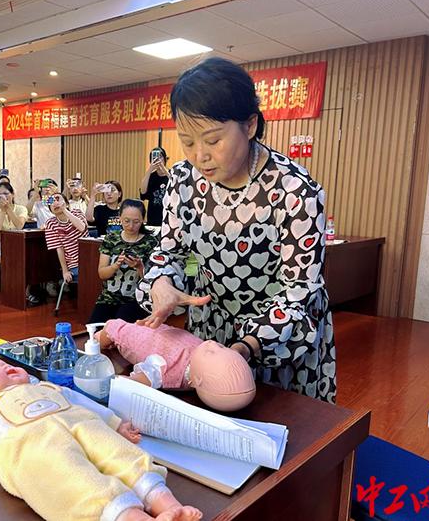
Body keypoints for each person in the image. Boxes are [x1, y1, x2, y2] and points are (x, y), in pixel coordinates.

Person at [136, 57, 336, 404]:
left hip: (279, 340)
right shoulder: (183, 181)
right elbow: (172, 253)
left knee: (283, 442)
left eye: (213, 140)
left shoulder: (295, 191)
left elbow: (299, 291)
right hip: (210, 336)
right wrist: (163, 283)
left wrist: (245, 349)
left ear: (250, 125)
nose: (200, 156)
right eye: (187, 141)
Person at [0, 358, 202, 521]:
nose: (4, 367)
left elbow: (86, 404)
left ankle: (165, 503)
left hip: (83, 425)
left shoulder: (49, 387)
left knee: (122, 454)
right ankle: (130, 517)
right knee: (70, 480)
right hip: (35, 445)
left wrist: (116, 425)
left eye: (2, 364)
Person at [96, 319, 255, 412]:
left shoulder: (167, 372)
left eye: (211, 352)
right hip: (156, 326)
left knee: (109, 329)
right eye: (222, 347)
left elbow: (127, 382)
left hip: (129, 334)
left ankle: (100, 336)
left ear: (196, 380)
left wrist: (111, 381)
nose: (212, 343)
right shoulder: (204, 358)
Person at [89, 199, 157, 324]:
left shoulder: (150, 242)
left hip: (136, 299)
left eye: (136, 222)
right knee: (94, 330)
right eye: (126, 221)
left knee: (118, 328)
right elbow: (102, 274)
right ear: (119, 217)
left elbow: (152, 282)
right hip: (108, 298)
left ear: (143, 219)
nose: (131, 226)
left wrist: (139, 267)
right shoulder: (111, 238)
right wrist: (115, 265)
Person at [44, 193, 89, 285]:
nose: (55, 203)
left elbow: (82, 227)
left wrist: (64, 210)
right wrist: (65, 271)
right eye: (51, 202)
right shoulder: (50, 223)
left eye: (58, 199)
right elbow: (59, 248)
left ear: (67, 203)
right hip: (73, 263)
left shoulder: (77, 212)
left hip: (89, 258)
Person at [0, 182, 28, 263]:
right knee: (8, 259)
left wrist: (8, 209)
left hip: (18, 244)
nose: (3, 197)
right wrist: (3, 211)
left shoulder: (21, 209)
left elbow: (19, 226)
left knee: (24, 259)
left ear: (13, 194)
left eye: (6, 194)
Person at [140, 147, 169, 227]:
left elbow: (175, 185)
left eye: (160, 157)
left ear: (165, 159)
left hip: (169, 218)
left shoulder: (171, 174)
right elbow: (143, 192)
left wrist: (164, 169)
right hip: (153, 219)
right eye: (154, 157)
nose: (157, 159)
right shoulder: (150, 176)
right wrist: (150, 170)